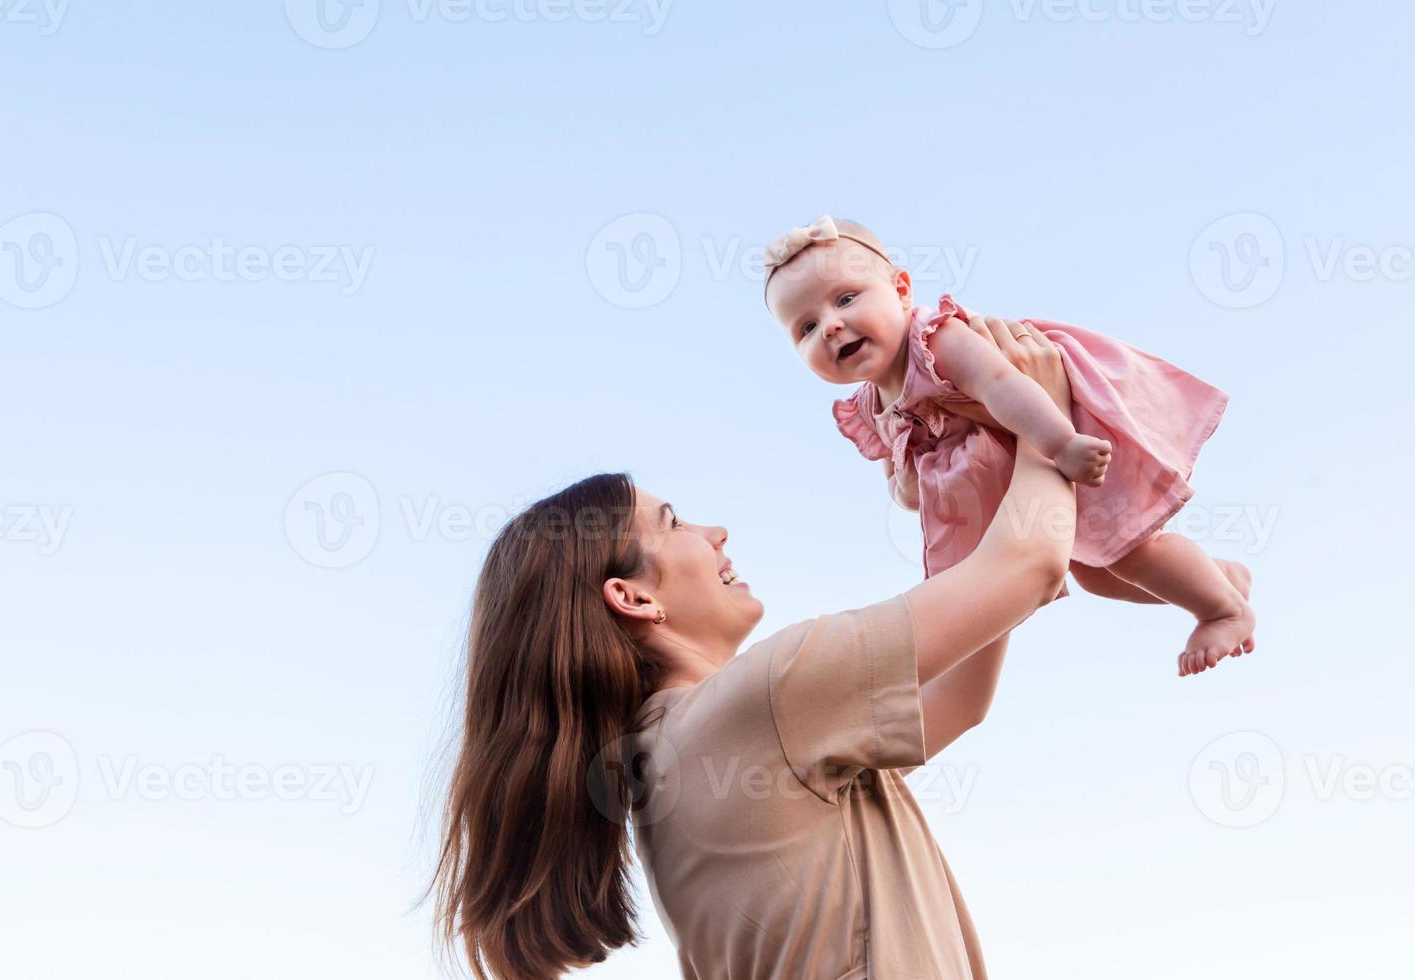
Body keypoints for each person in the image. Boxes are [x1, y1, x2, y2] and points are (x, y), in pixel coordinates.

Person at [433, 316, 1081, 978]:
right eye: (673, 523)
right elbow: (1029, 564)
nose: (714, 531)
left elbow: (960, 699)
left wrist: (970, 508)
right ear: (632, 598)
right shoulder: (762, 707)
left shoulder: (690, 752)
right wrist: (1045, 411)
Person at [764, 216, 1256, 677]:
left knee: (1128, 552)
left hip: (1060, 429)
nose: (828, 325)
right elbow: (902, 486)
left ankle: (1223, 609)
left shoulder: (934, 341)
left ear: (901, 290)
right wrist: (906, 482)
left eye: (846, 299)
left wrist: (1061, 443)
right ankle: (1217, 576)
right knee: (1097, 576)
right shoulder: (873, 407)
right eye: (805, 327)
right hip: (1027, 476)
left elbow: (1002, 384)